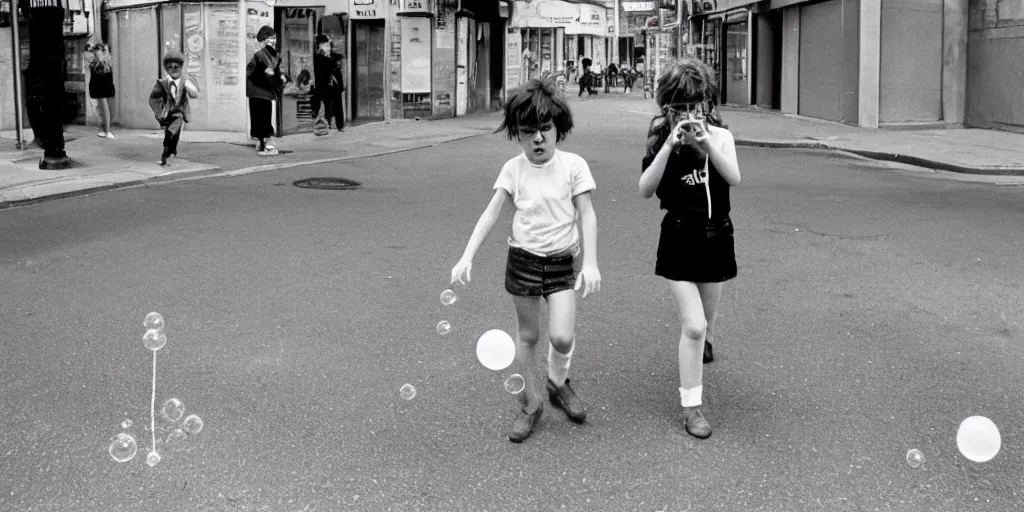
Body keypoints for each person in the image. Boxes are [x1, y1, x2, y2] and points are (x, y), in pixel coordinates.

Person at [451, 78, 601, 444]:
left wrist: (592, 263)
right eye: (528, 131)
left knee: (562, 337)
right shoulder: (513, 169)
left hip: (562, 263)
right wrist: (466, 255)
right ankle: (532, 401)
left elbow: (588, 214)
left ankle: (557, 381)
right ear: (517, 134)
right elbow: (490, 214)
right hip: (523, 261)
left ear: (558, 129)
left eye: (545, 129)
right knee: (529, 335)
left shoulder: (574, 166)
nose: (537, 138)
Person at [637, 59, 741, 440]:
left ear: (707, 103)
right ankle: (692, 408)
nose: (688, 113)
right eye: (679, 106)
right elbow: (645, 189)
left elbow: (734, 177)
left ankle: (705, 342)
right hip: (679, 239)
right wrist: (669, 144)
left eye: (695, 104)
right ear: (667, 107)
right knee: (693, 325)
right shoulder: (662, 140)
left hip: (717, 238)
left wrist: (707, 141)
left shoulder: (721, 137)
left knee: (706, 324)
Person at [148, 50, 199, 166]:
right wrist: (159, 113)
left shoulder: (185, 82)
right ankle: (168, 154)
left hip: (179, 113)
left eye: (177, 66)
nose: (174, 68)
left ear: (181, 67)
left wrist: (189, 87)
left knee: (172, 133)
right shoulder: (162, 83)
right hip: (166, 114)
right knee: (169, 136)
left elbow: (194, 94)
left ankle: (169, 154)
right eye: (170, 67)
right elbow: (153, 99)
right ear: (166, 68)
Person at [246, 25, 287, 156]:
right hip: (259, 91)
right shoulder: (261, 55)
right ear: (264, 40)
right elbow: (255, 73)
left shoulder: (270, 54)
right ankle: (264, 146)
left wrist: (280, 76)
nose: (273, 41)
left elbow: (275, 70)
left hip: (262, 92)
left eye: (274, 38)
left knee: (262, 118)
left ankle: (262, 144)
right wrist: (274, 76)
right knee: (262, 118)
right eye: (270, 38)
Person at [311, 34, 345, 132]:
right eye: (326, 46)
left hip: (334, 86)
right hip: (324, 87)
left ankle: (339, 124)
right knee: (326, 107)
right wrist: (333, 61)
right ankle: (326, 124)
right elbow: (327, 65)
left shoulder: (331, 56)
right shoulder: (318, 57)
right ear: (320, 45)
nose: (328, 48)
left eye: (329, 46)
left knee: (336, 105)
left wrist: (341, 85)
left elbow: (338, 60)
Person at [87, 42, 116, 138]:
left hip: (106, 89)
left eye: (99, 53)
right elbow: (93, 80)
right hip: (100, 90)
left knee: (109, 110)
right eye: (96, 54)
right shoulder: (96, 65)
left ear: (103, 53)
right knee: (103, 110)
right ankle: (106, 131)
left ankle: (106, 130)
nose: (97, 55)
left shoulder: (106, 63)